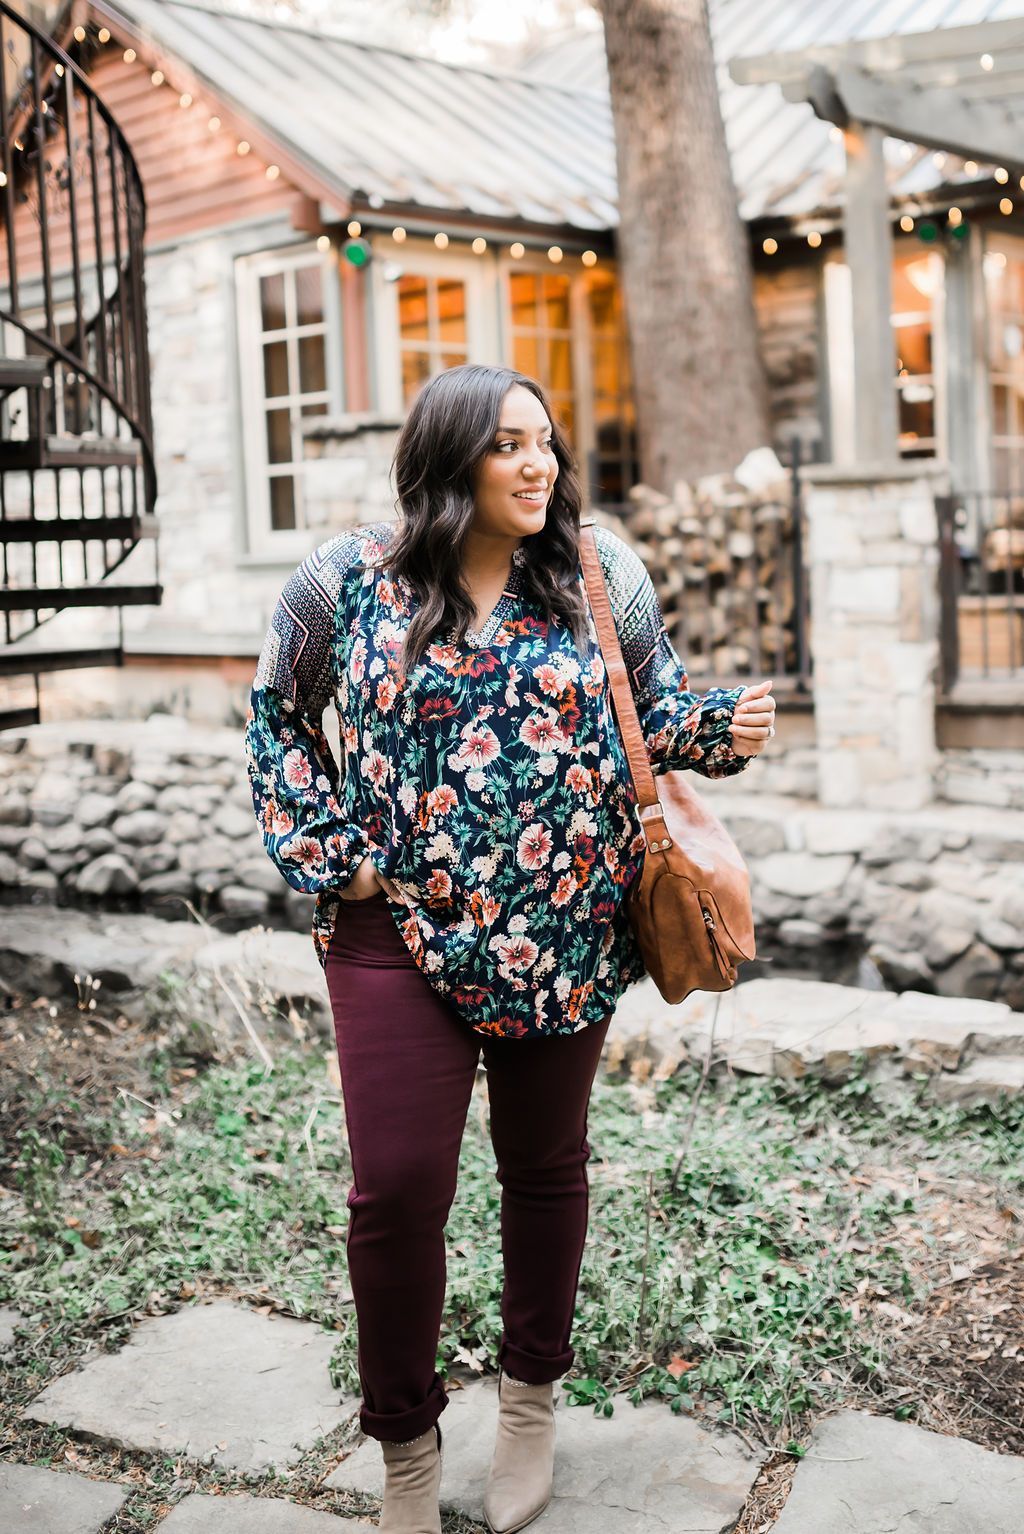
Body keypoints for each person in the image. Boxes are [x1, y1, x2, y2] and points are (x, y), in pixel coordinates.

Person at [244, 364, 775, 1534]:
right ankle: (407, 1451)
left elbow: (654, 711)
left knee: (544, 1168)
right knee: (396, 1189)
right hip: (395, 929)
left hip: (565, 924)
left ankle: (529, 1401)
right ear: (449, 462)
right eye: (508, 445)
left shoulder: (599, 569)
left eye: (545, 441)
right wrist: (338, 857)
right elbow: (277, 719)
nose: (539, 464)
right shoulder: (341, 581)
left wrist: (722, 728)